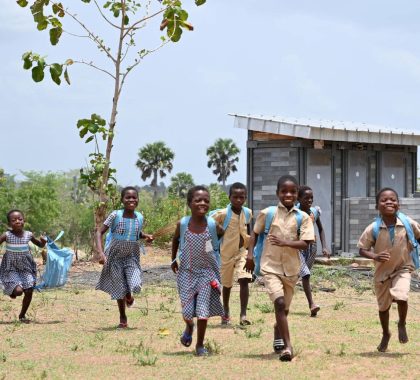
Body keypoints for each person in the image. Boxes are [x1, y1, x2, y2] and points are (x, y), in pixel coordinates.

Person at [245, 175, 314, 361]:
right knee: (280, 303)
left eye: (292, 192)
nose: (288, 194)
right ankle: (288, 347)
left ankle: (278, 328)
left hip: (292, 269)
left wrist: (284, 242)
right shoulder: (267, 213)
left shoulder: (304, 218)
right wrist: (250, 256)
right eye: (284, 191)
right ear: (278, 193)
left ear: (297, 194)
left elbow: (306, 243)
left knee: (285, 309)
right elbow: (254, 234)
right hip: (270, 266)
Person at [358, 187, 420, 352]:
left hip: (403, 268)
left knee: (402, 295)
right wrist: (375, 256)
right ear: (377, 206)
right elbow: (362, 249)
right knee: (383, 307)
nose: (389, 202)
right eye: (384, 200)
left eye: (393, 199)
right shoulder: (373, 228)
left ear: (398, 204)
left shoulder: (407, 223)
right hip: (382, 273)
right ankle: (386, 333)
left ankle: (402, 323)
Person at [171, 186, 224, 356]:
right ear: (189, 203)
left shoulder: (212, 225)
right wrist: (173, 259)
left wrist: (213, 248)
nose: (202, 203)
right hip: (186, 272)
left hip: (206, 273)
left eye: (206, 201)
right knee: (187, 312)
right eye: (198, 200)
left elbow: (221, 234)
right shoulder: (183, 224)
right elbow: (175, 240)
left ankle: (200, 345)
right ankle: (189, 326)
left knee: (202, 311)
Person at [96, 186, 153, 328]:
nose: (131, 200)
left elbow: (136, 233)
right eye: (128, 197)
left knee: (135, 283)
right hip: (114, 255)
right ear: (122, 200)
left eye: (134, 197)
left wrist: (145, 236)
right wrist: (101, 253)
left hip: (132, 255)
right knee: (119, 286)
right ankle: (123, 317)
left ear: (138, 199)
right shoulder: (115, 215)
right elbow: (99, 232)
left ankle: (129, 295)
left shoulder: (139, 217)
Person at [210, 182, 253, 326]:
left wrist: (251, 253)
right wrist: (208, 251)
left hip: (242, 252)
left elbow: (250, 233)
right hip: (225, 254)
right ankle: (226, 309)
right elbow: (208, 228)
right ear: (230, 197)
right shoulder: (222, 214)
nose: (239, 200)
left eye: (242, 197)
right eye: (235, 197)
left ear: (245, 198)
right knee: (227, 285)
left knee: (244, 279)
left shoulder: (247, 212)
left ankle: (243, 314)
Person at [0, 209, 46, 323]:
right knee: (19, 291)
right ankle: (12, 291)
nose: (17, 221)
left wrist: (43, 242)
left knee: (29, 290)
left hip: (26, 267)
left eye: (20, 219)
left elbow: (39, 245)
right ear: (9, 223)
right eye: (13, 220)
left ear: (24, 220)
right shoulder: (7, 235)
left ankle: (22, 315)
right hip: (10, 267)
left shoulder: (28, 235)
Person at [297, 185, 330, 317]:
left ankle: (283, 294)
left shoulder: (314, 212)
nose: (309, 200)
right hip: (297, 248)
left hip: (312, 248)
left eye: (311, 198)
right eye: (306, 198)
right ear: (298, 198)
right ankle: (312, 304)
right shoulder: (295, 213)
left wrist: (324, 246)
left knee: (303, 275)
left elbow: (321, 229)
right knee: (305, 275)